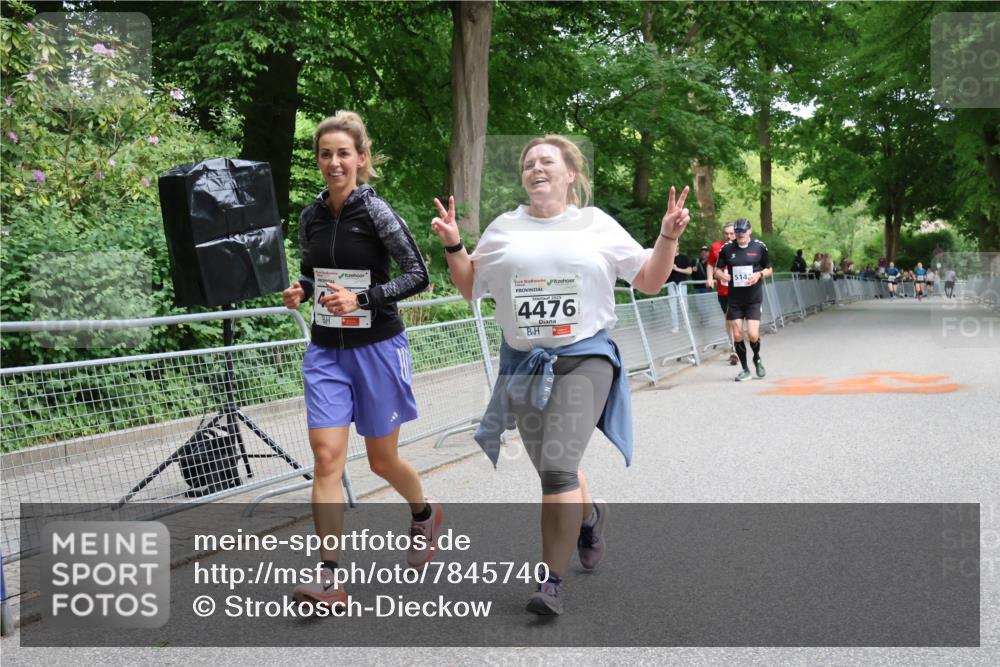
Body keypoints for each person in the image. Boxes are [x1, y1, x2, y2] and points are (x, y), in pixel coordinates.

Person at [430, 134, 690, 615]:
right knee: (556, 467)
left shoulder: (596, 224)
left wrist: (667, 236)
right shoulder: (504, 228)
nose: (536, 168)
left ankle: (550, 582)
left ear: (571, 174)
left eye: (548, 161)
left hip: (583, 358)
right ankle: (589, 516)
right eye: (529, 163)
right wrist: (454, 245)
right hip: (523, 362)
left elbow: (650, 280)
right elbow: (469, 287)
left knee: (555, 469)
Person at [282, 111, 439, 607]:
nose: (334, 162)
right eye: (325, 154)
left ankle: (423, 513)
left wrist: (363, 299)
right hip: (327, 351)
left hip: (377, 348)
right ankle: (330, 579)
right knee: (326, 457)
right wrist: (300, 291)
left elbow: (418, 275)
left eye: (343, 154)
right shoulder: (310, 216)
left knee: (380, 460)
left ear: (361, 159)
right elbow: (313, 274)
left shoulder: (376, 212)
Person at [714, 218, 772, 382]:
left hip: (753, 298)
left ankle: (757, 358)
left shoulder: (759, 247)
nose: (740, 235)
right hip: (734, 299)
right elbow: (717, 269)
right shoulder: (727, 248)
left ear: (750, 231)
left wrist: (759, 274)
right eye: (737, 232)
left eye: (743, 231)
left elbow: (769, 269)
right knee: (738, 335)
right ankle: (745, 369)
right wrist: (721, 275)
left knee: (753, 335)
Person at [707, 222, 739, 364]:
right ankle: (733, 346)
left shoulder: (742, 245)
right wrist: (709, 278)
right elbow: (709, 263)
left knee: (735, 319)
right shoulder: (716, 246)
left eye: (731, 233)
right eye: (726, 233)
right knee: (729, 318)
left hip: (739, 288)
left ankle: (736, 347)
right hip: (723, 289)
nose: (729, 236)